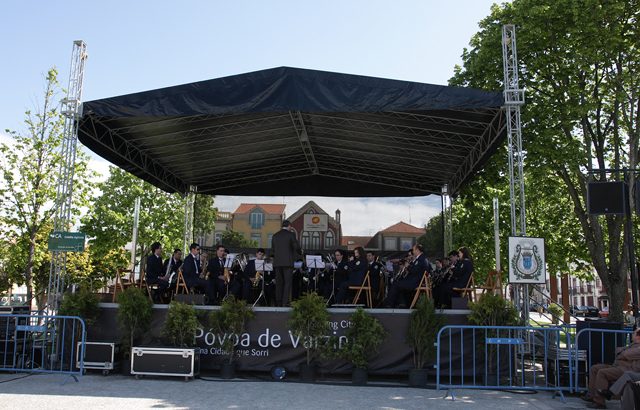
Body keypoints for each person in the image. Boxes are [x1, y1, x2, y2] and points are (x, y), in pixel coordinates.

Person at [582, 328, 640, 408]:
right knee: (595, 368)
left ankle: (599, 402)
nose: (632, 334)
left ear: (638, 336)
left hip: (627, 369)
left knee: (602, 373)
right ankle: (591, 395)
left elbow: (625, 354)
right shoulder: (633, 344)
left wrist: (622, 353)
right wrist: (622, 353)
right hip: (618, 366)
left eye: (634, 333)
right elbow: (618, 351)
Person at [385, 244, 431, 308]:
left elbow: (414, 271)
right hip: (414, 280)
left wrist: (408, 266)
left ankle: (389, 304)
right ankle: (401, 303)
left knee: (396, 284)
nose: (413, 251)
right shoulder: (420, 258)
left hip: (416, 282)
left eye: (414, 250)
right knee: (398, 282)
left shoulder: (422, 259)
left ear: (417, 250)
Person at [271, 220, 301, 307]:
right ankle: (285, 303)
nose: (291, 228)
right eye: (290, 227)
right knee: (287, 283)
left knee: (279, 283)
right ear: (289, 226)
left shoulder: (275, 235)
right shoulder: (291, 235)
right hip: (288, 263)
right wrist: (300, 252)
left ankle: (278, 302)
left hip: (277, 263)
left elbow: (273, 249)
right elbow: (296, 247)